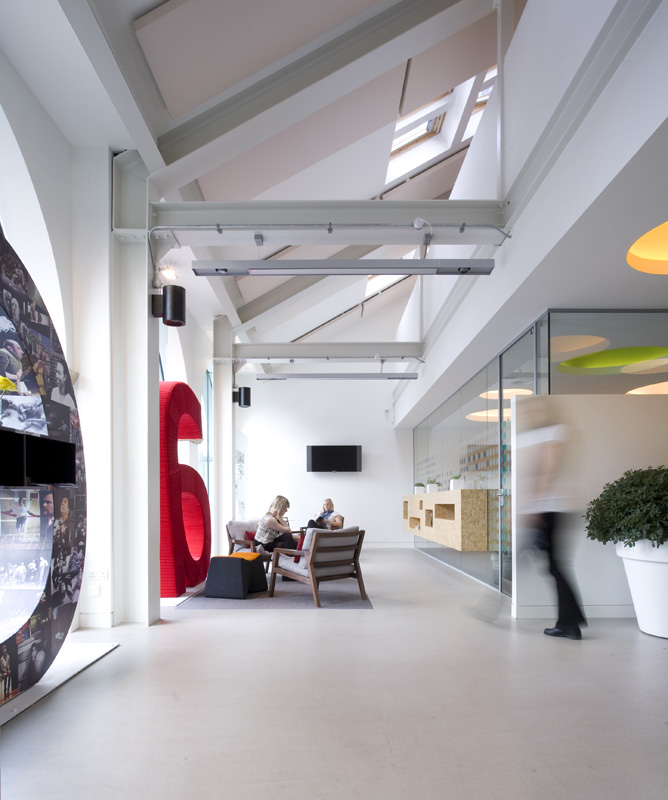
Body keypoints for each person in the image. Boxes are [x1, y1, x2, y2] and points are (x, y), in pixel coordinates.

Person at [516, 401, 586, 641]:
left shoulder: (553, 432)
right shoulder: (548, 433)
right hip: (551, 507)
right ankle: (570, 621)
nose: (533, 413)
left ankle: (570, 623)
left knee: (555, 566)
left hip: (550, 508)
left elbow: (546, 469)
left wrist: (534, 506)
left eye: (538, 409)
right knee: (555, 566)